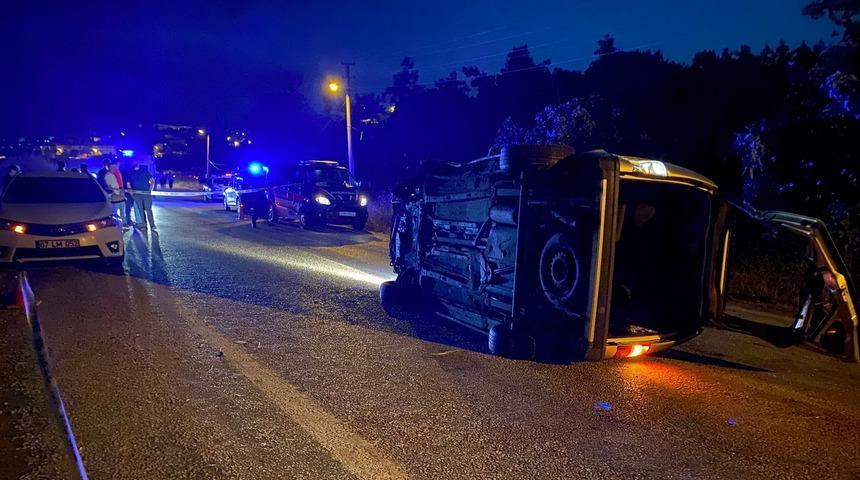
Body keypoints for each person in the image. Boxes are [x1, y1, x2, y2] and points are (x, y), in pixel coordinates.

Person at [127, 162, 156, 230]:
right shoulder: (130, 173)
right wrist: (130, 190)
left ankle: (152, 225)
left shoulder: (145, 171)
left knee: (148, 210)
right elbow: (128, 183)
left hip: (146, 194)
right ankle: (144, 225)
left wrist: (150, 190)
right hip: (136, 195)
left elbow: (152, 181)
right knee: (140, 210)